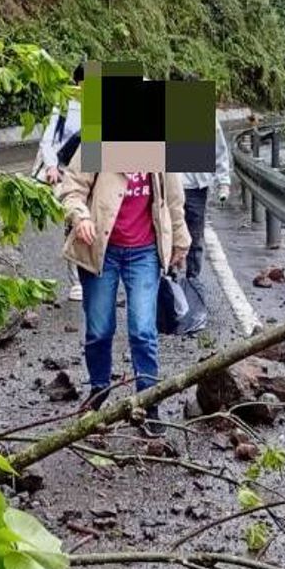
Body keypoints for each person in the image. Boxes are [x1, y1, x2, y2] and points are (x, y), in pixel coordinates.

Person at [57, 155, 189, 422]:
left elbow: (174, 199)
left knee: (142, 330)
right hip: (101, 250)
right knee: (99, 330)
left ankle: (148, 400)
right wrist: (80, 217)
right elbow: (71, 188)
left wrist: (180, 239)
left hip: (145, 251)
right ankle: (99, 388)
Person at [37, 63, 85, 300]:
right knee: (73, 220)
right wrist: (51, 165)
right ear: (77, 83)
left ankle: (93, 275)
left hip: (91, 172)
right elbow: (48, 140)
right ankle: (76, 280)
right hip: (67, 172)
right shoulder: (65, 104)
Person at [178, 107, 232, 291]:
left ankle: (193, 281)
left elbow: (219, 150)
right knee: (166, 234)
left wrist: (223, 182)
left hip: (196, 188)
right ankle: (168, 279)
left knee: (194, 237)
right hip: (169, 188)